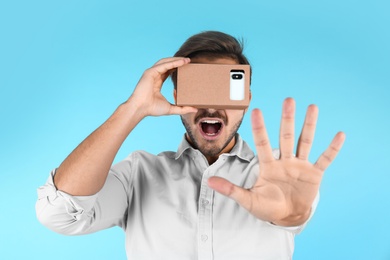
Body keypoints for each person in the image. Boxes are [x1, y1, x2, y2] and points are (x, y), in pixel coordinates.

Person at [36, 31, 345, 259]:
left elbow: (293, 214)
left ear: (246, 99)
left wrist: (291, 215)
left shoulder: (282, 174)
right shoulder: (138, 174)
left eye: (225, 88)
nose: (211, 107)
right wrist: (133, 108)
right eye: (199, 87)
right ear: (175, 95)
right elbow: (59, 213)